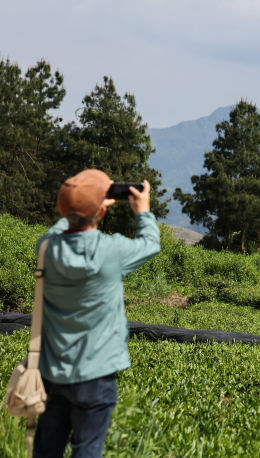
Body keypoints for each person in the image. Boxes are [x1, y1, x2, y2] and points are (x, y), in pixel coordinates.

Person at [33, 171, 159, 458]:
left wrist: (79, 205)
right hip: (96, 375)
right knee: (87, 450)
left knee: (46, 450)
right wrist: (143, 212)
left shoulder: (46, 248)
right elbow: (150, 244)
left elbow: (61, 224)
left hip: (53, 373)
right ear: (102, 210)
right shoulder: (110, 251)